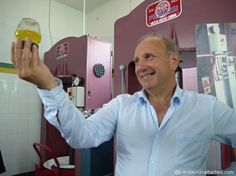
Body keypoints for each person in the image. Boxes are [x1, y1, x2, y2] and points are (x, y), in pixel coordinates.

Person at [11, 35, 236, 176]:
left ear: (173, 61)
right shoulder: (121, 106)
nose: (140, 67)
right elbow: (82, 136)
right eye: (137, 60)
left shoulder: (206, 108)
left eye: (149, 57)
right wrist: (49, 86)